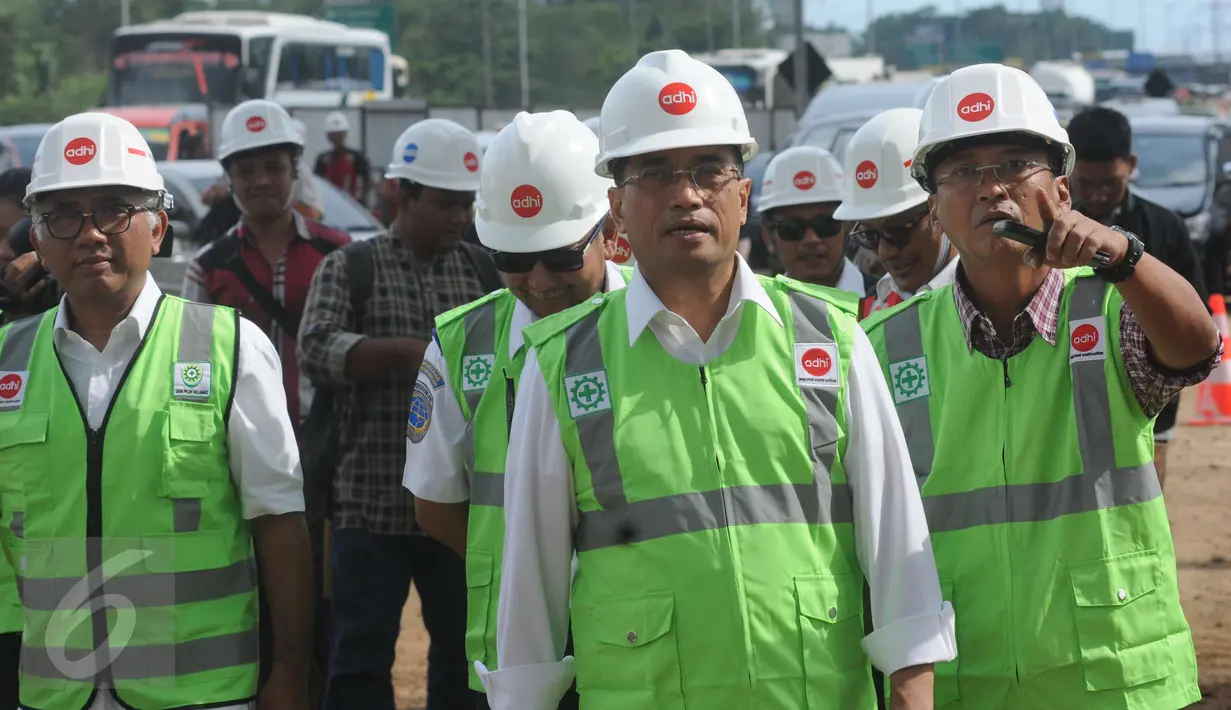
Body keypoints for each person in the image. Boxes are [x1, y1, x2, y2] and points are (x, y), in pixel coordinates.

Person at [481, 49, 956, 710]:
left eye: (708, 169)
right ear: (615, 207)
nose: (686, 194)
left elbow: (900, 565)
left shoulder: (832, 339)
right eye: (655, 172)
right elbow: (528, 606)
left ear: (743, 194)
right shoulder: (564, 362)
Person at [862, 63, 1222, 709]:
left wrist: (1123, 257)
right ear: (934, 208)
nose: (990, 189)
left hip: (1116, 681)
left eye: (1013, 165)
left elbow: (1196, 349)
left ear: (1059, 190)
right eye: (962, 172)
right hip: (969, 682)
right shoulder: (887, 345)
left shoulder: (1113, 312)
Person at [0, 111, 312, 709]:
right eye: (63, 215)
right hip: (50, 695)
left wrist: (291, 676)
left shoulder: (232, 348)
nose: (90, 234)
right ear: (36, 239)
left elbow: (279, 524)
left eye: (115, 208)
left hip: (201, 695)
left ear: (158, 228)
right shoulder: (8, 363)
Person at [404, 110, 630, 710]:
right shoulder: (460, 345)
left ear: (610, 229)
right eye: (511, 258)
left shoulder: (657, 329)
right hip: (515, 654)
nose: (537, 280)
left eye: (559, 256)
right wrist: (527, 562)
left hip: (647, 640)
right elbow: (434, 505)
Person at [297, 117, 500, 710]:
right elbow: (316, 348)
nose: (460, 218)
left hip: (460, 507)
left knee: (465, 658)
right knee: (359, 656)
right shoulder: (352, 267)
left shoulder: (483, 271)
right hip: (370, 502)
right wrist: (402, 355)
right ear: (400, 195)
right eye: (445, 204)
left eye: (467, 205)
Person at [181, 98, 352, 705]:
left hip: (326, 466)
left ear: (294, 169)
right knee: (255, 607)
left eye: (272, 167)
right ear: (228, 179)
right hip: (242, 466)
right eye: (246, 170)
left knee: (331, 624)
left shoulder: (336, 252)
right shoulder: (210, 266)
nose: (259, 182)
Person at [1066, 105, 1210, 488]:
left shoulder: (1166, 227)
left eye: (1110, 183)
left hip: (1155, 400)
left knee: (1145, 491)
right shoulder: (1054, 235)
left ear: (1131, 164)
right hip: (1072, 390)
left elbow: (1194, 315)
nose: (1097, 195)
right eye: (1086, 183)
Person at [835, 108, 959, 320]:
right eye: (869, 236)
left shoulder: (993, 300)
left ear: (939, 209)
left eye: (898, 232)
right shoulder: (874, 310)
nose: (884, 253)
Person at [758, 145, 874, 296]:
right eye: (792, 229)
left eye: (825, 225)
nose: (811, 239)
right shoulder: (760, 312)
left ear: (847, 226)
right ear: (768, 237)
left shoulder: (887, 304)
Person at [314, 111, 371, 205]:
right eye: (334, 135)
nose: (337, 138)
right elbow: (316, 183)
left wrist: (361, 199)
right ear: (329, 136)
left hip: (350, 203)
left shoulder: (355, 157)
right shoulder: (323, 159)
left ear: (345, 134)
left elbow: (367, 178)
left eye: (339, 134)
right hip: (329, 204)